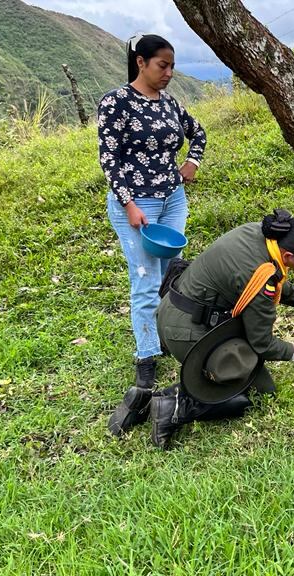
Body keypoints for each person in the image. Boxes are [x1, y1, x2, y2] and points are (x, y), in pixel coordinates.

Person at [108, 209, 294, 448]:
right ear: (289, 256)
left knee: (263, 387)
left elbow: (272, 278)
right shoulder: (259, 275)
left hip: (173, 309)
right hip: (187, 330)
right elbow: (261, 342)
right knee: (245, 396)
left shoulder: (259, 234)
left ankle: (145, 403)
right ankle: (174, 407)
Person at [97, 33, 207, 391]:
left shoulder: (170, 104)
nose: (169, 73)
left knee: (172, 275)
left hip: (173, 200)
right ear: (141, 63)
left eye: (173, 66)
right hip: (136, 205)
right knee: (145, 282)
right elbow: (109, 158)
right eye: (163, 65)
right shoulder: (116, 102)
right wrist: (128, 203)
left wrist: (191, 162)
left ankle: (173, 337)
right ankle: (146, 356)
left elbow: (198, 133)